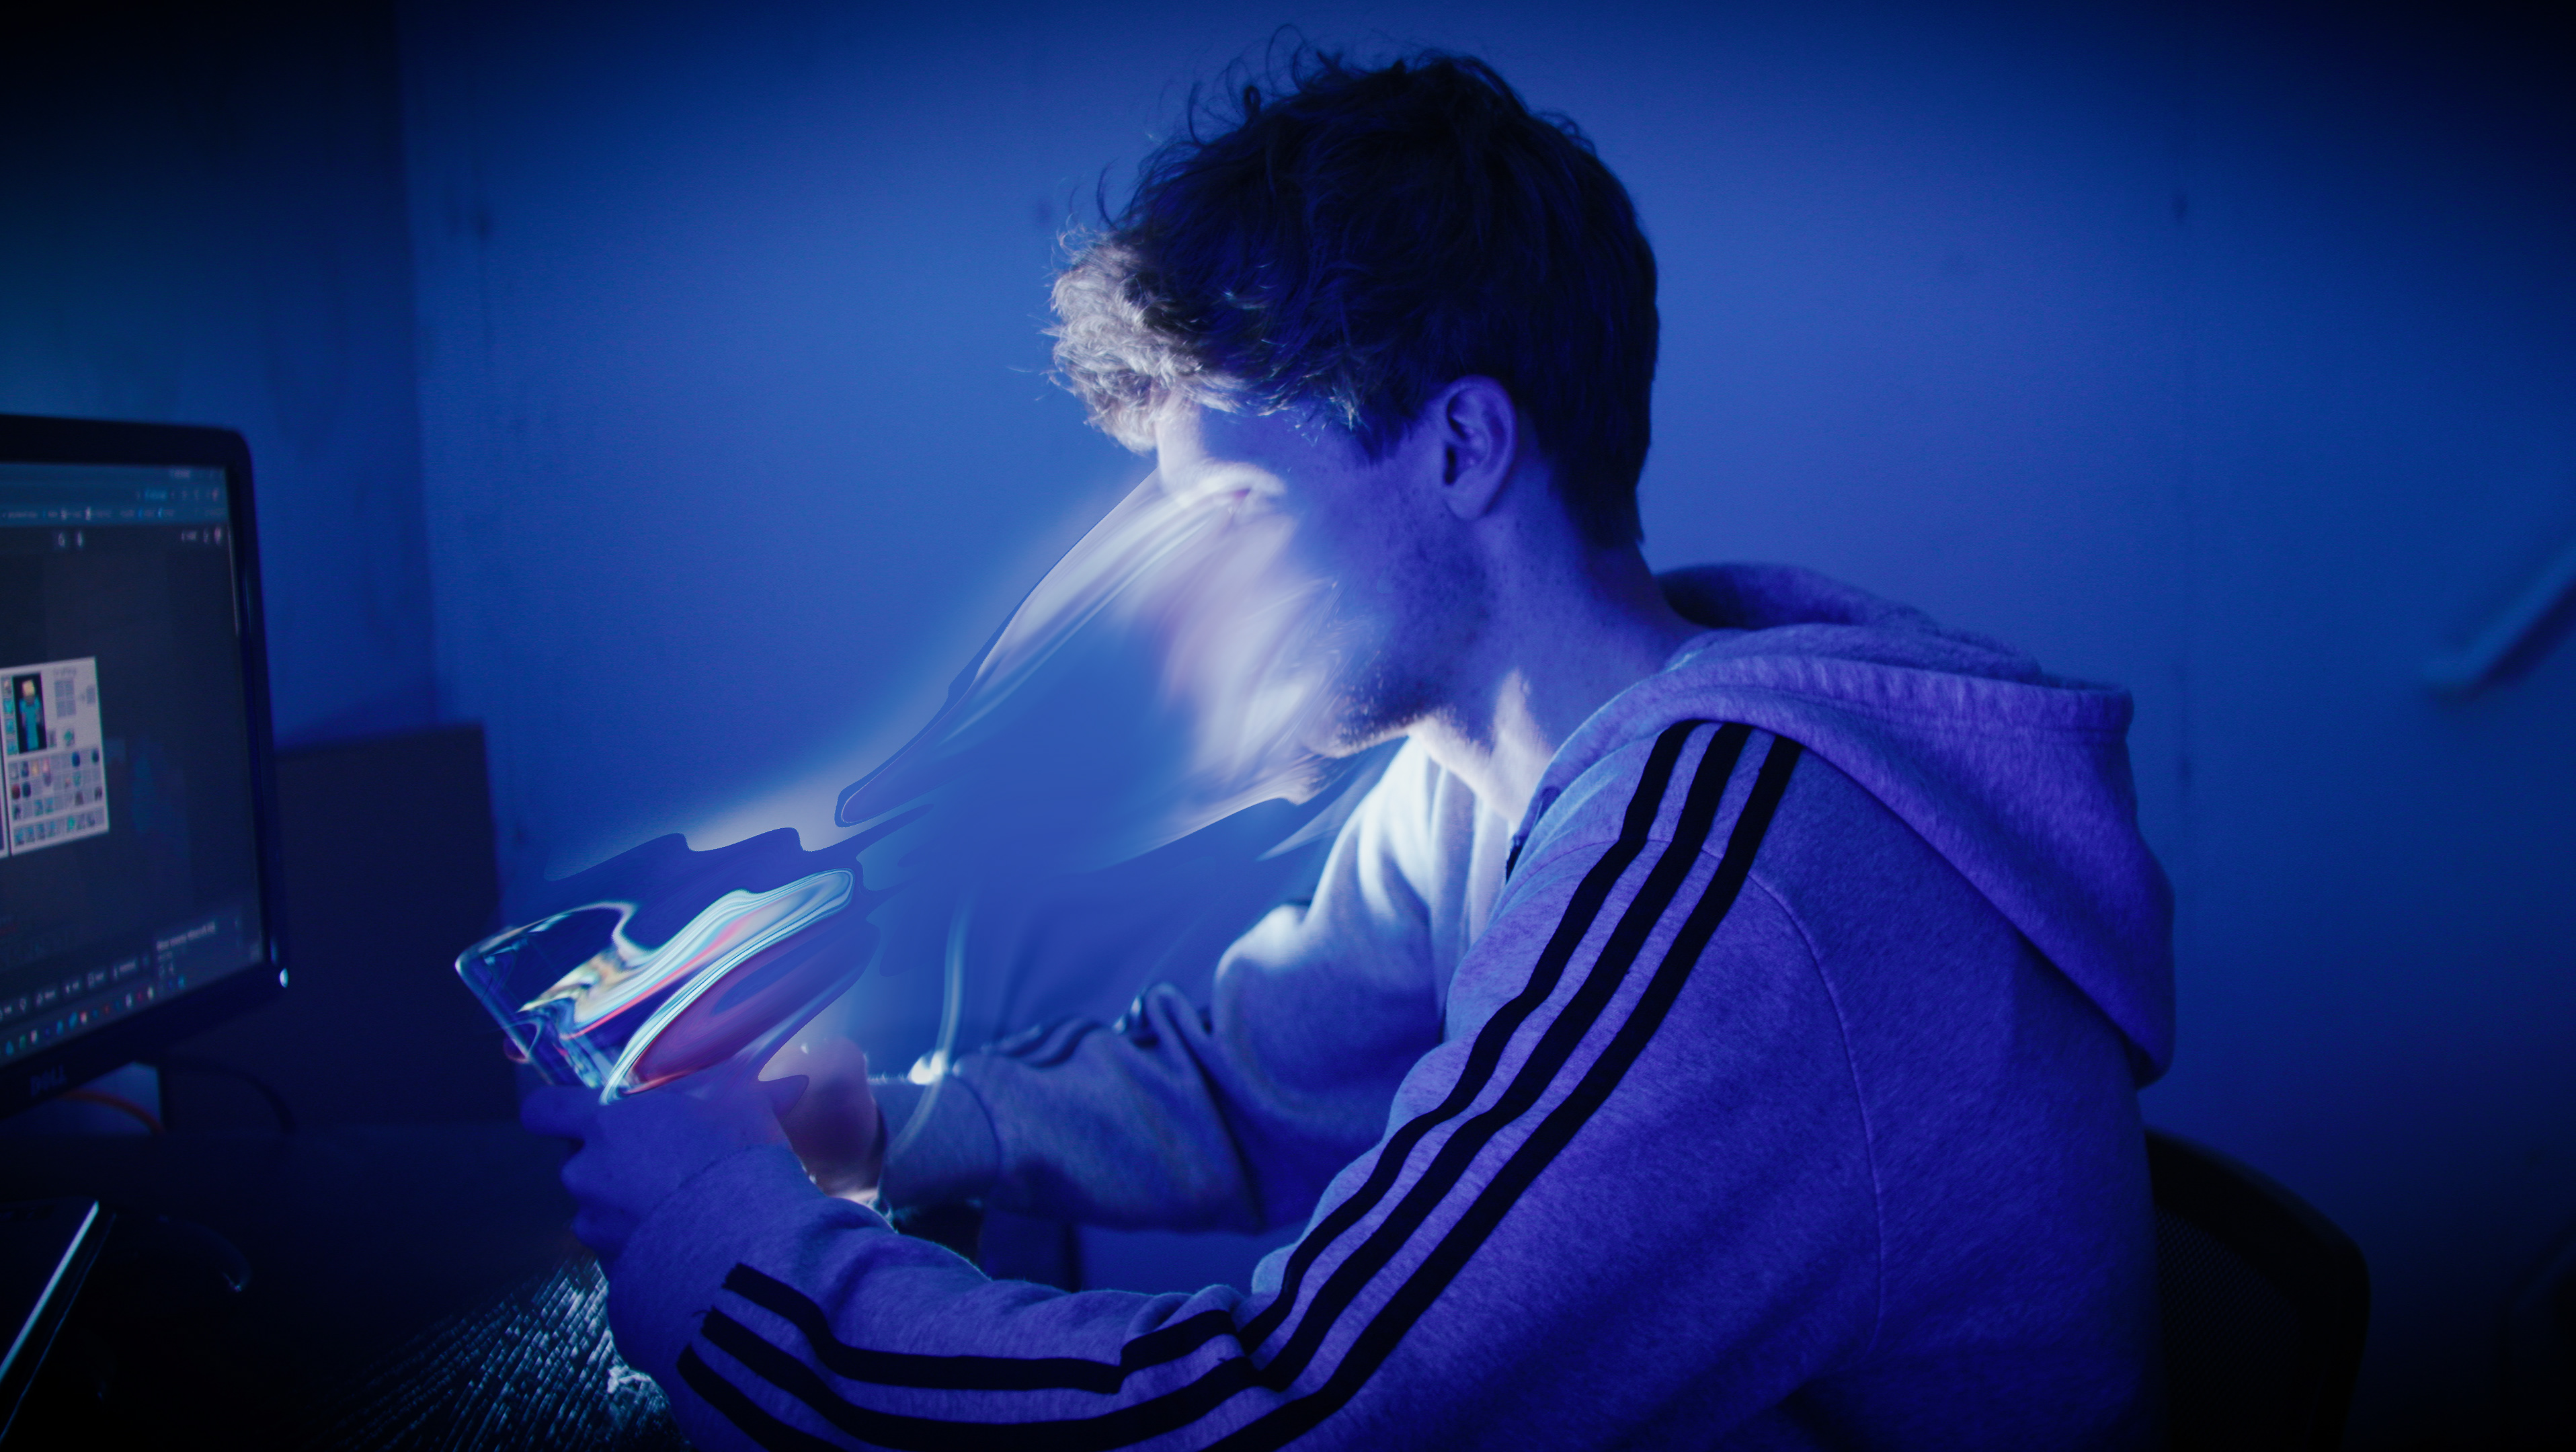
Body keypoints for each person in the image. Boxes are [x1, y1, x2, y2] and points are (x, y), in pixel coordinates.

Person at [525, 49, 2173, 1449]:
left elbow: (1290, 1414)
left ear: (1461, 447)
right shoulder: (1488, 782)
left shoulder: (1726, 879)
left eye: (1235, 512)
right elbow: (1244, 1085)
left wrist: (719, 1242)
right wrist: (872, 1131)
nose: (1189, 607)